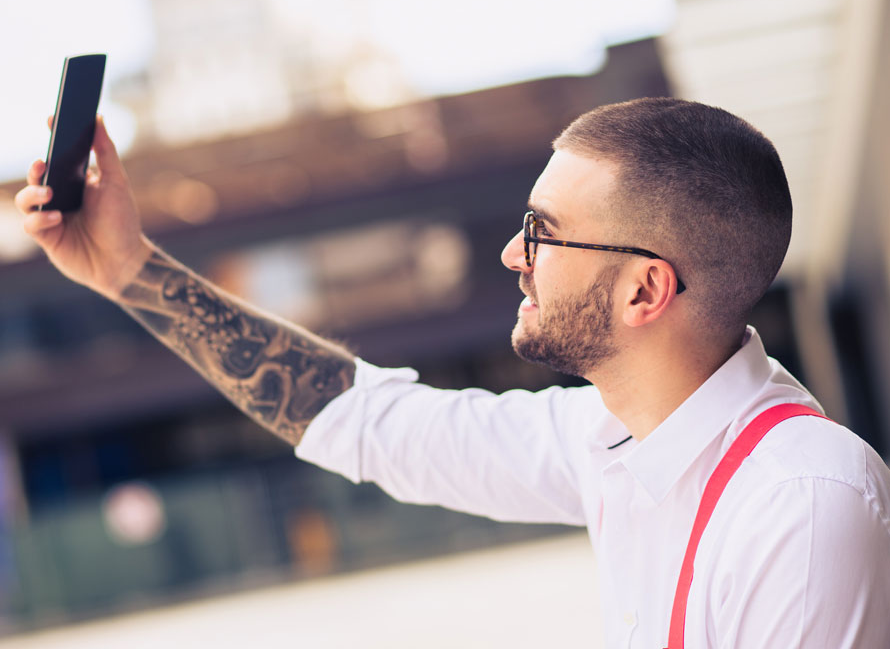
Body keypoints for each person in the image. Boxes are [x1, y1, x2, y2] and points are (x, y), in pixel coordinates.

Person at [16, 98, 890, 647]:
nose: (514, 252)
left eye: (544, 233)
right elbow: (368, 421)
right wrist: (130, 271)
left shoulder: (803, 508)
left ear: (645, 289)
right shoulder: (612, 439)